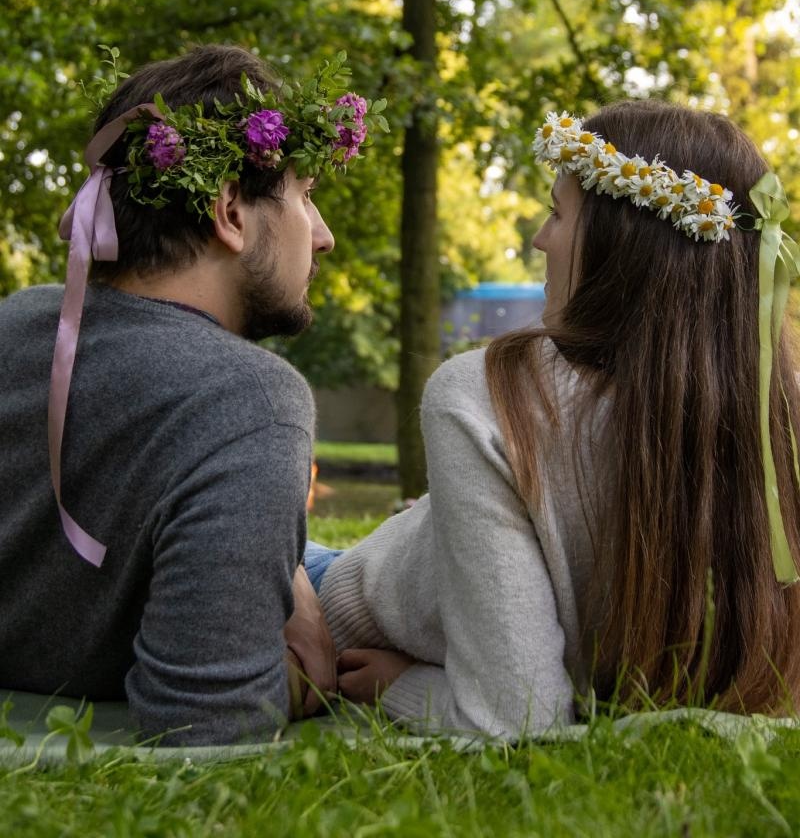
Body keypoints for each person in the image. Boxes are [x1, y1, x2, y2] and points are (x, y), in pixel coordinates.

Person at [317, 100, 800, 738]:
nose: (539, 239)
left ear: (621, 242)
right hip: (355, 588)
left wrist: (397, 685)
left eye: (557, 213)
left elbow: (512, 721)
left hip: (346, 623)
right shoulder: (776, 418)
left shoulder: (493, 393)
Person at [0, 43, 383, 746]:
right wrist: (307, 674)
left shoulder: (18, 321)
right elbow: (209, 723)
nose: (323, 237)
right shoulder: (252, 400)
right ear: (230, 210)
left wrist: (286, 573)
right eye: (305, 196)